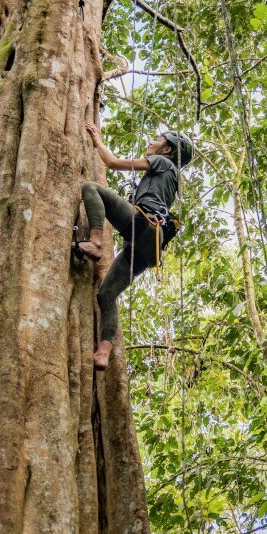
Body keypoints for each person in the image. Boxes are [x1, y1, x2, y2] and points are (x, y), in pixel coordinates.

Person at [78, 123, 195, 370]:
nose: (151, 142)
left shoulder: (161, 162)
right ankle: (103, 353)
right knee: (106, 295)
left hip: (145, 223)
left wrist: (97, 140)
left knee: (91, 188)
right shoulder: (173, 177)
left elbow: (113, 163)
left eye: (158, 140)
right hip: (150, 248)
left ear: (167, 150)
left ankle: (96, 242)